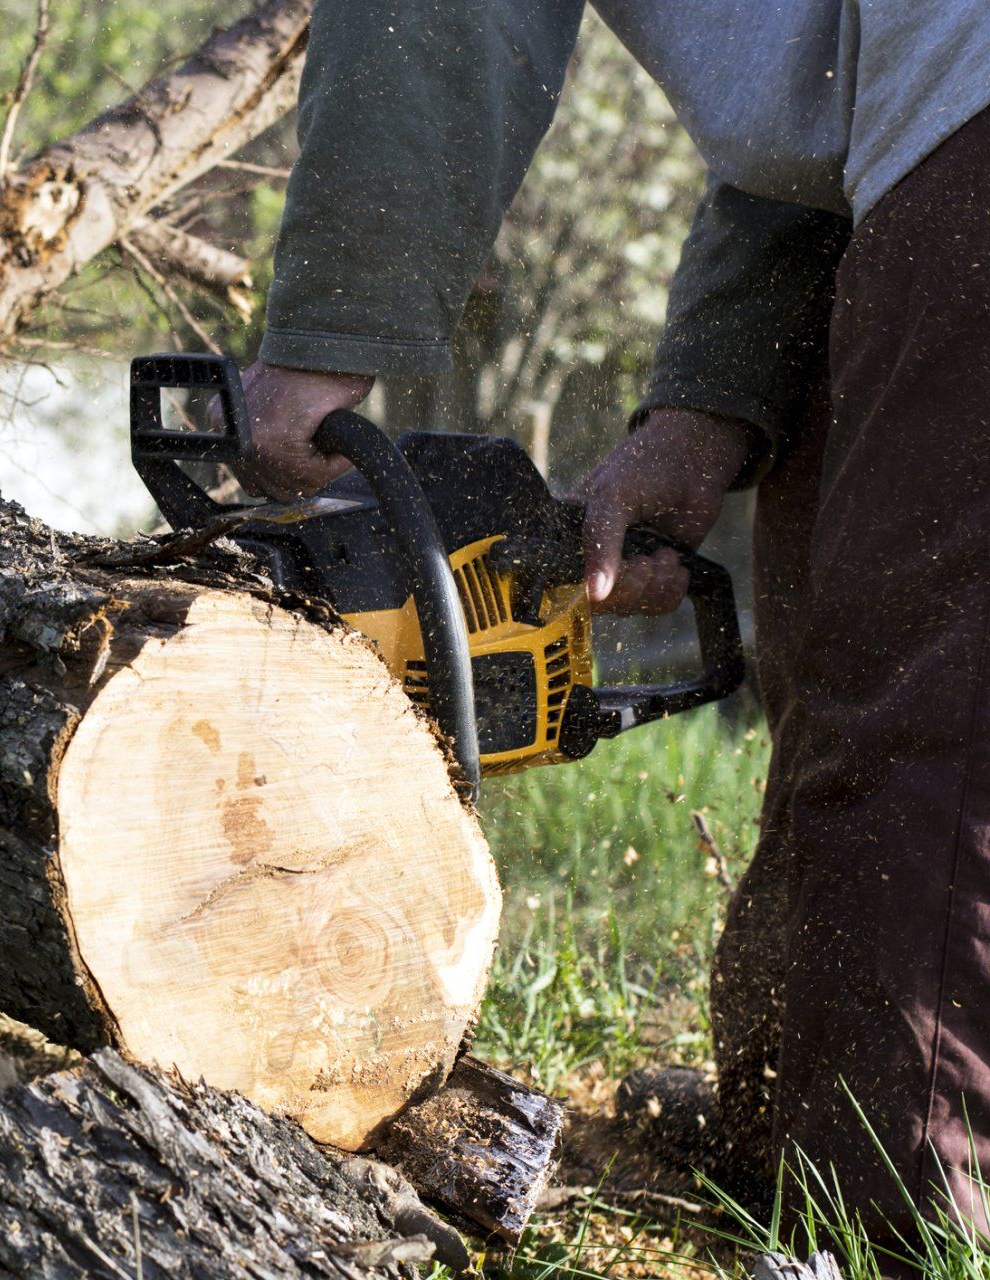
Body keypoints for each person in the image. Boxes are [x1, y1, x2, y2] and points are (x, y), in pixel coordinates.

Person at [239, 0, 990, 1260]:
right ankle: (800, 1125)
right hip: (918, 155)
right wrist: (703, 402)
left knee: (931, 716)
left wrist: (331, 334)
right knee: (846, 647)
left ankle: (897, 1222)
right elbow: (838, 99)